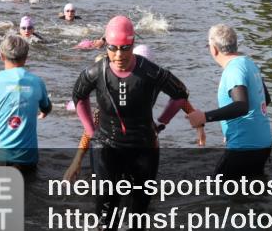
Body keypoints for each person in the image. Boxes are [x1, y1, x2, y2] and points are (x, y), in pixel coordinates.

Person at [70, 15, 192, 231]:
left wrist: (162, 122)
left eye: (125, 48)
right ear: (106, 45)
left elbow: (181, 94)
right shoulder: (97, 72)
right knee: (107, 215)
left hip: (143, 147)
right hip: (107, 146)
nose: (118, 55)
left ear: (133, 45)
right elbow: (78, 96)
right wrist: (91, 130)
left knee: (138, 218)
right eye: (113, 48)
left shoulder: (150, 71)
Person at [63, 43, 205, 183]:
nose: (140, 77)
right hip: (111, 141)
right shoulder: (116, 88)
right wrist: (77, 160)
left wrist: (199, 124)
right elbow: (93, 126)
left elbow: (181, 98)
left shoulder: (152, 80)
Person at [186, 24, 272, 179]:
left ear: (214, 49)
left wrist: (205, 117)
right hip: (263, 144)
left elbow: (241, 105)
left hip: (245, 146)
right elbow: (266, 99)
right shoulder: (249, 63)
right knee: (251, 194)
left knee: (219, 191)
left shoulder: (234, 70)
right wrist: (233, 127)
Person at [0, 34, 51, 169]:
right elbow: (46, 107)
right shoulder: (37, 82)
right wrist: (43, 111)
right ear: (26, 57)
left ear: (1, 55)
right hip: (26, 158)